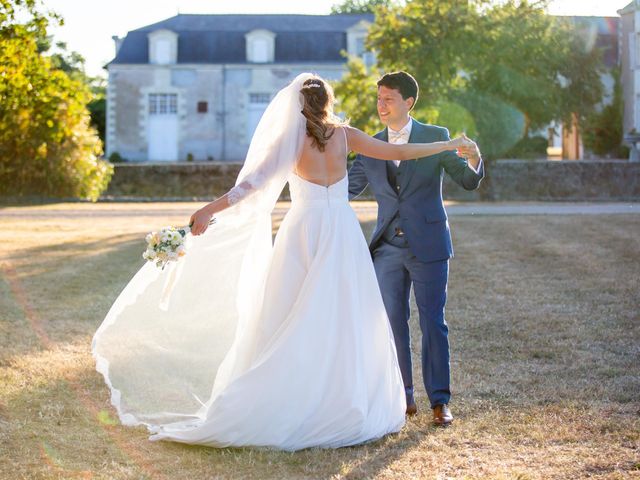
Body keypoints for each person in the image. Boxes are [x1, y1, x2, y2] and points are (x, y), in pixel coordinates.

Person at [91, 73, 474, 451]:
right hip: (340, 231)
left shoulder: (293, 142)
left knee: (289, 315)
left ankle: (300, 394)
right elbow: (403, 153)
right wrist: (448, 144)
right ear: (327, 102)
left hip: (304, 232)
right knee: (343, 316)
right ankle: (341, 398)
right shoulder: (346, 135)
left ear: (296, 106)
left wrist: (210, 208)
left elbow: (249, 185)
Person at [347, 71, 484, 425]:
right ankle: (402, 398)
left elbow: (468, 181)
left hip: (429, 244)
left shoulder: (436, 138)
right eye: (378, 98)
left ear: (408, 102)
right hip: (386, 249)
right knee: (392, 324)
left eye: (388, 98)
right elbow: (346, 187)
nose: (381, 105)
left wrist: (474, 158)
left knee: (433, 322)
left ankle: (440, 402)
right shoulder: (369, 144)